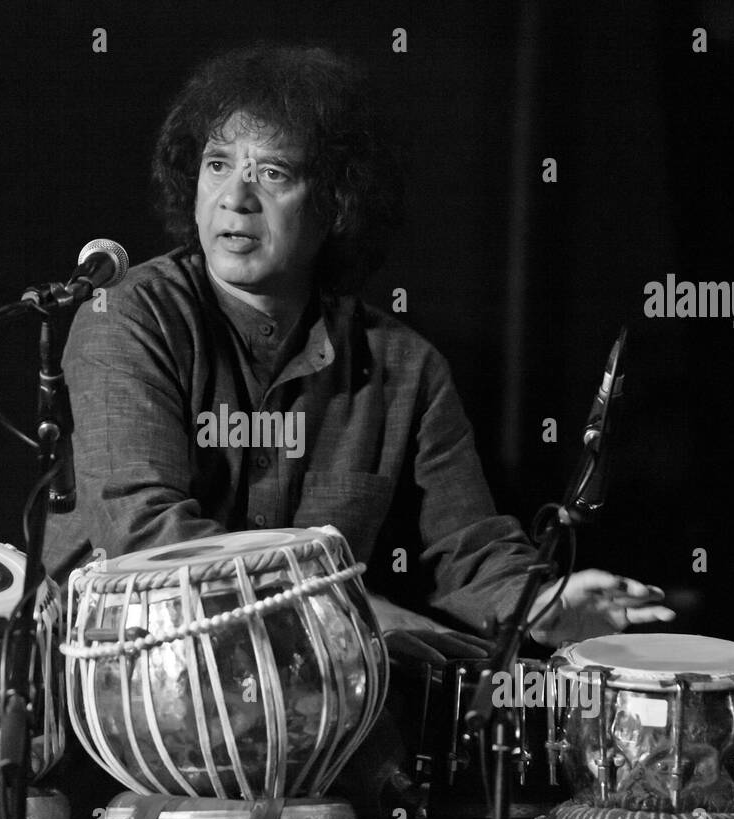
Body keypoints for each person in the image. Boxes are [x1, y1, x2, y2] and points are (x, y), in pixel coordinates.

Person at [44, 42, 674, 650]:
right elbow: (146, 534)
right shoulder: (128, 314)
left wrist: (536, 603)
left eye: (271, 172)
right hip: (123, 695)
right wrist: (343, 608)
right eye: (218, 164)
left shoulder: (405, 369)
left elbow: (471, 549)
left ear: (334, 204)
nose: (235, 197)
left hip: (306, 706)